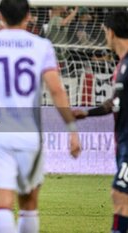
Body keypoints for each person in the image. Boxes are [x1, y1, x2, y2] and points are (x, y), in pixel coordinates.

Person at [0, 0, 81, 232]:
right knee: (29, 204)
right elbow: (56, 90)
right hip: (29, 134)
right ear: (28, 16)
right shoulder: (41, 45)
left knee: (2, 204)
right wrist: (72, 130)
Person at [72, 11, 128, 233]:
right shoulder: (121, 65)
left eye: (105, 32)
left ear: (111, 32)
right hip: (122, 141)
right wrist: (87, 114)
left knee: (119, 193)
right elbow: (114, 103)